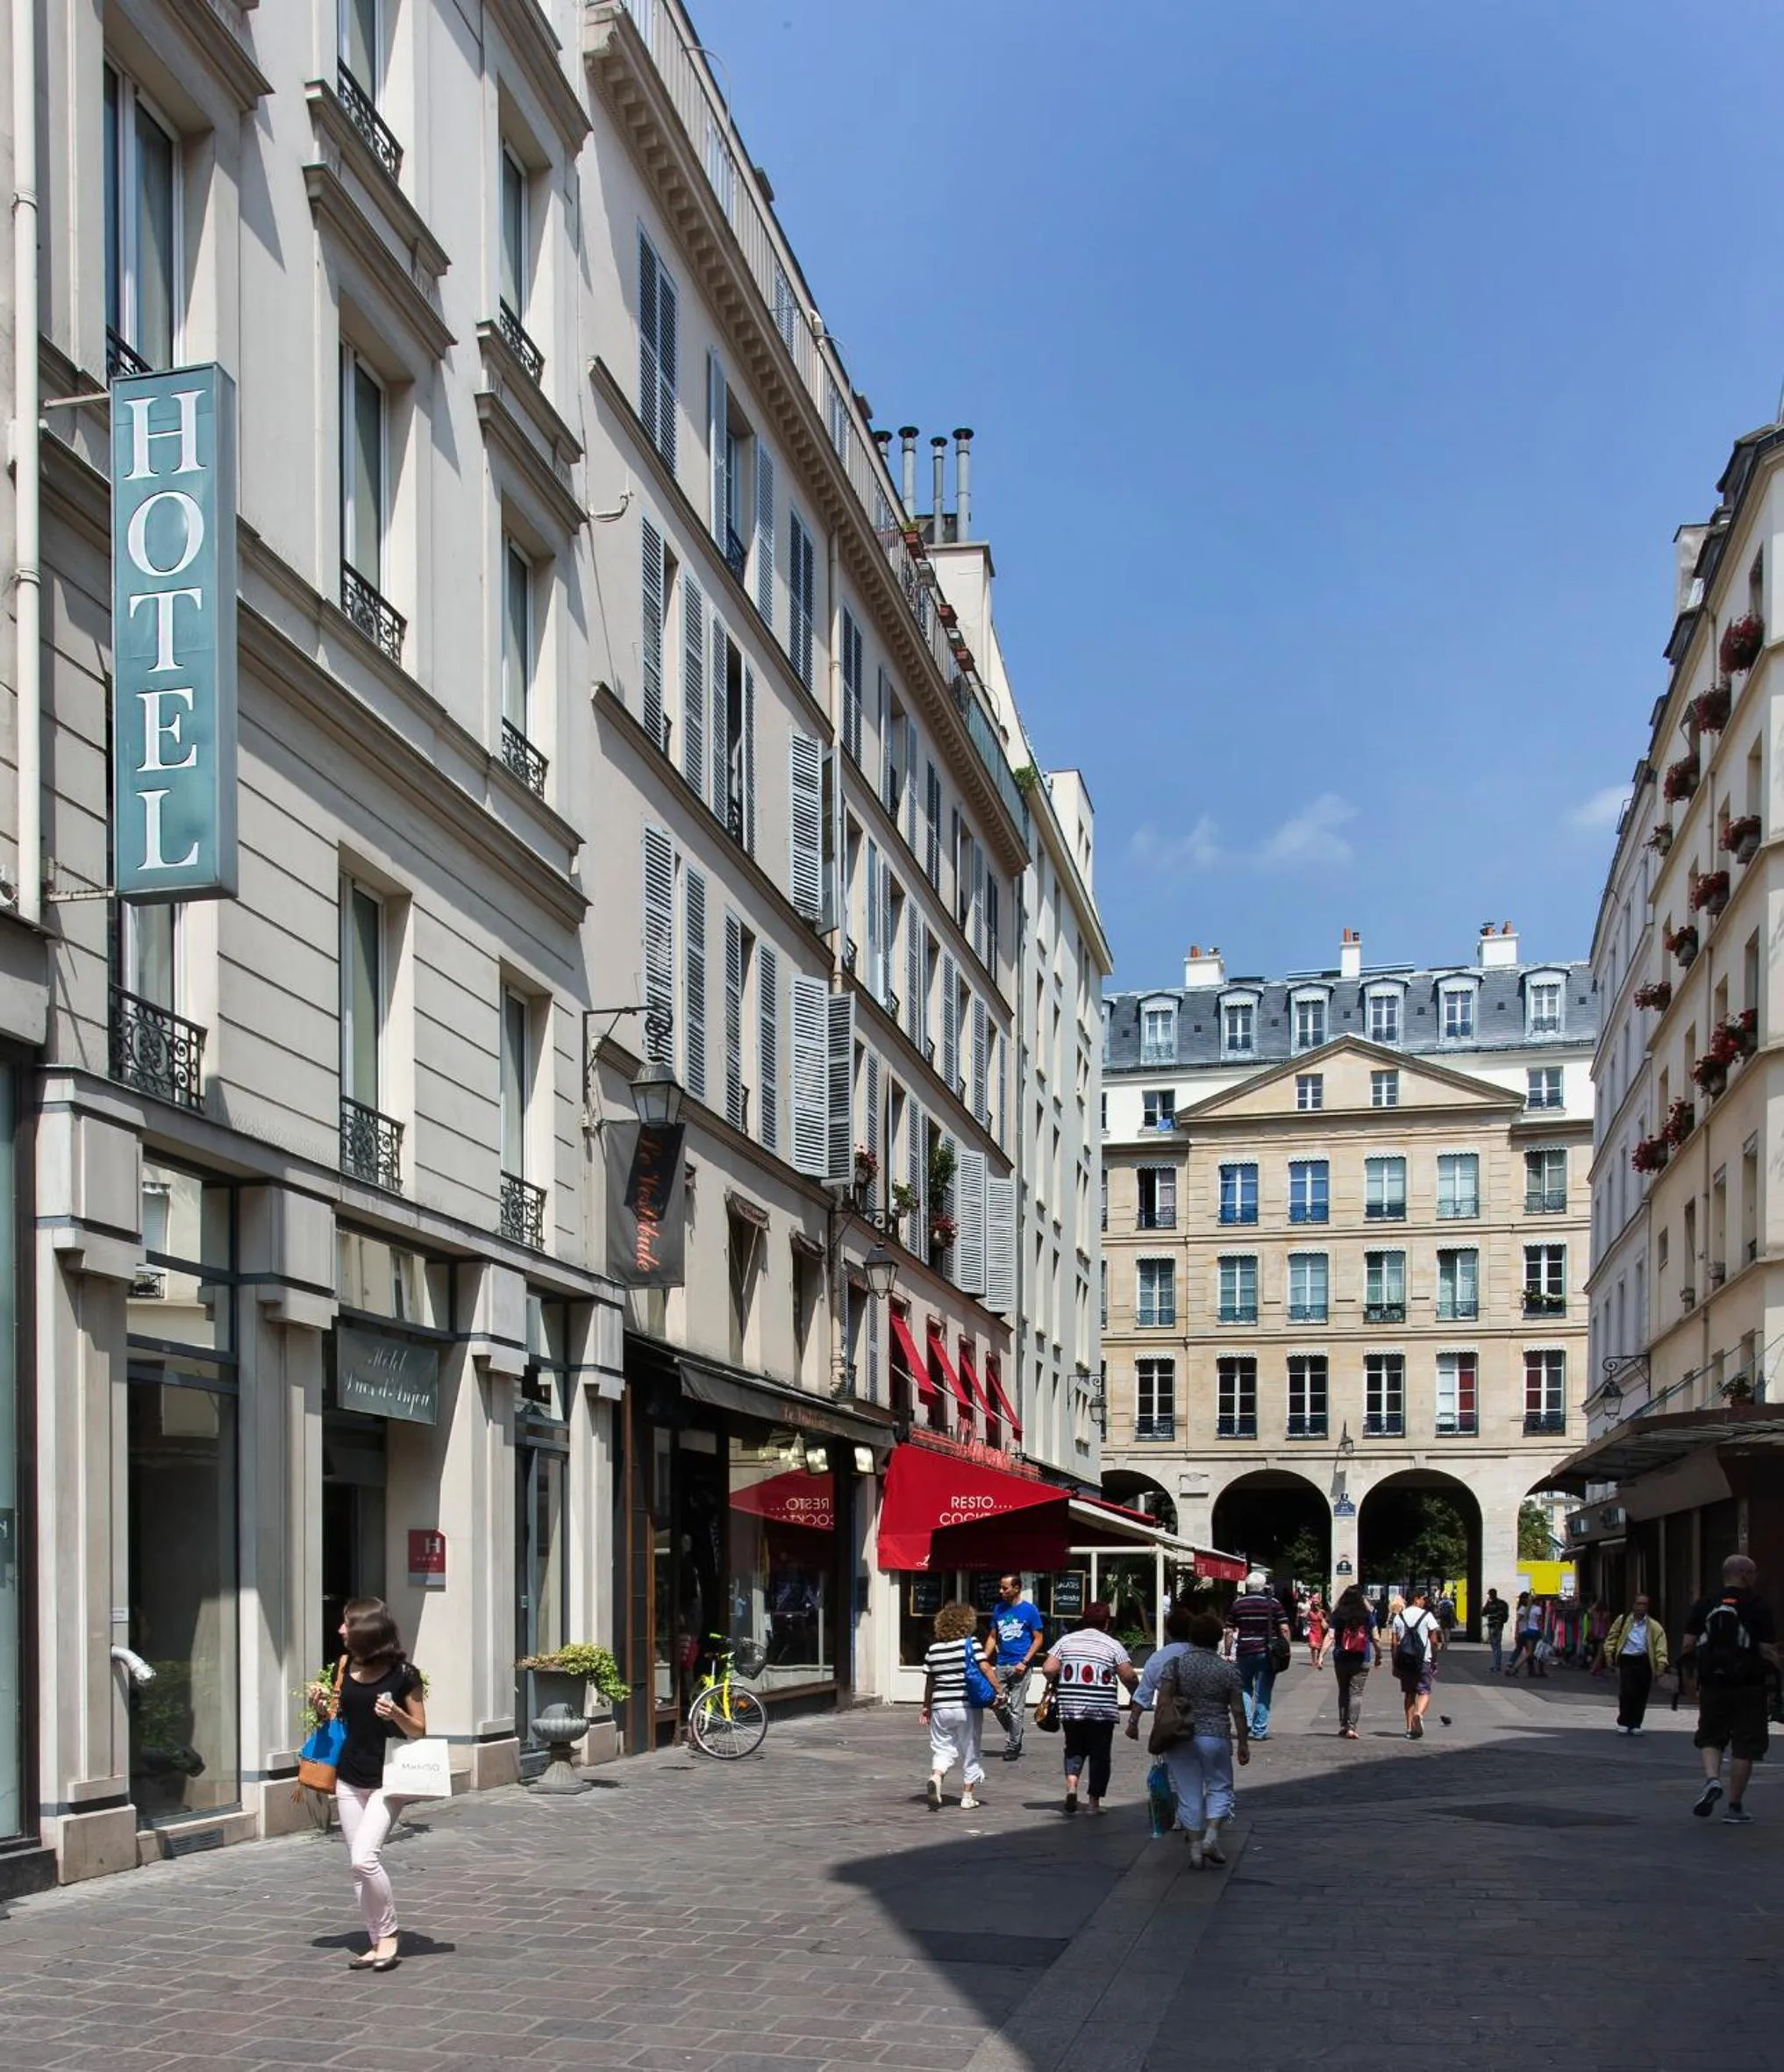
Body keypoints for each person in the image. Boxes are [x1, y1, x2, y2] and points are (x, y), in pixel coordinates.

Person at [306, 1597, 427, 1973]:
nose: (340, 1629)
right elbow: (338, 1717)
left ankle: (388, 1934)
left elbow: (420, 1730)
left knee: (365, 1859)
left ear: (366, 1630)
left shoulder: (405, 1674)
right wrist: (320, 1706)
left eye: (346, 1624)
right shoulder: (346, 1666)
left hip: (387, 1781)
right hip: (348, 1778)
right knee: (357, 1866)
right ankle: (376, 1940)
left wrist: (397, 1714)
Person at [1681, 1554, 1780, 1824]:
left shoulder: (1705, 1603)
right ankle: (1735, 1807)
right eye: (1754, 1572)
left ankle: (1712, 1779)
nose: (1756, 1577)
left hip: (1713, 1684)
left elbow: (1688, 1644)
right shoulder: (1757, 1605)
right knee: (1745, 1746)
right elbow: (1768, 1649)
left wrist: (1690, 1680)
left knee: (1710, 1736)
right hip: (1749, 1686)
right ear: (1743, 1574)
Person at [1153, 1611, 1249, 1868]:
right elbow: (1238, 1709)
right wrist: (1243, 1742)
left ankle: (1195, 1849)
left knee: (1187, 1792)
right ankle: (1211, 1836)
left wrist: (1159, 1734)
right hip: (1215, 1735)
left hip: (1180, 1735)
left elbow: (1163, 1702)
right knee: (1220, 1786)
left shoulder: (1174, 1665)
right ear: (1218, 1639)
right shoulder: (1227, 1670)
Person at [1041, 1600, 1140, 1814]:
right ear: (1106, 1623)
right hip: (1101, 1709)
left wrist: (1062, 1677)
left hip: (1071, 1705)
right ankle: (1093, 1803)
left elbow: (1048, 1669)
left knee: (1074, 1747)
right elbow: (1128, 1676)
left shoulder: (1066, 1640)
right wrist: (1136, 1694)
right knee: (1100, 1754)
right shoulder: (1113, 1645)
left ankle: (1072, 1785)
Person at [920, 1602, 998, 1811]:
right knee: (970, 1748)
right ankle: (967, 1796)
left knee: (942, 1748)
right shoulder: (971, 1643)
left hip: (940, 1707)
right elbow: (985, 1668)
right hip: (966, 1706)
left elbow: (930, 1682)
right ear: (968, 1623)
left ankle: (936, 1776)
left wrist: (926, 1706)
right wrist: (998, 1690)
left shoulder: (933, 1649)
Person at [1224, 1570, 1290, 1741]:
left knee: (1244, 1687)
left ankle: (1245, 1723)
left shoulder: (1238, 1604)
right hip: (1267, 1652)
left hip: (1244, 1651)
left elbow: (1229, 1631)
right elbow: (1284, 1628)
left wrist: (1227, 1651)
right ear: (1264, 1585)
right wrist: (1286, 1647)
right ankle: (1259, 1729)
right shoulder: (1273, 1604)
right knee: (1263, 1690)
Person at [988, 1574, 1045, 1761]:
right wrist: (983, 1658)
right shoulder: (999, 1609)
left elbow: (1038, 1639)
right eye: (1001, 1587)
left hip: (1021, 1664)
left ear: (1016, 1588)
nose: (1001, 1591)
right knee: (997, 1703)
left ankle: (1012, 1746)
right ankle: (1016, 1732)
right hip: (1002, 1663)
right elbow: (992, 1636)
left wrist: (1025, 1661)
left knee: (1017, 1708)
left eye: (1005, 1588)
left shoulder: (1029, 1610)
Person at [1601, 1592, 1668, 1734]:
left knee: (1641, 1693)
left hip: (1643, 1660)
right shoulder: (1624, 1620)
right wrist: (1609, 1654)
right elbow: (1612, 1637)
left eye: (1644, 1604)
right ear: (1634, 1605)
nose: (1641, 1607)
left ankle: (1636, 1723)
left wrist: (1661, 1664)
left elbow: (1660, 1646)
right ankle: (1624, 1721)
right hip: (1627, 1659)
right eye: (1639, 1604)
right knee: (1627, 1691)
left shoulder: (1654, 1627)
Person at [1390, 1587, 1440, 1740]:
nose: (1425, 1601)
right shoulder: (1427, 1616)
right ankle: (1419, 1714)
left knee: (1409, 1694)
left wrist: (1395, 1664)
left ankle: (1409, 1727)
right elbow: (1434, 1641)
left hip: (1405, 1661)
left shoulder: (1399, 1617)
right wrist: (1434, 1660)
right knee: (1424, 1691)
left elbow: (1394, 1643)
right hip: (1423, 1659)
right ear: (1416, 1599)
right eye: (1423, 1598)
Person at [1328, 1584, 1376, 1739]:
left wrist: (1321, 1655)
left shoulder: (1337, 1614)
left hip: (1341, 1657)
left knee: (1343, 1690)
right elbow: (1375, 1637)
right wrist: (1379, 1654)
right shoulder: (1367, 1615)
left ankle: (1343, 1725)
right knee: (1356, 1692)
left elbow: (1330, 1635)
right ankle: (1352, 1727)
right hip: (1362, 1657)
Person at [1482, 1588, 1510, 1674]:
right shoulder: (1491, 1604)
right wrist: (1487, 1603)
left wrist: (1497, 1628)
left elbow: (1501, 1618)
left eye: (1490, 1594)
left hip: (1496, 1627)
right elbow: (1483, 1613)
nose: (1489, 1596)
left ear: (1493, 1594)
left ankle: (1497, 1665)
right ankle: (1496, 1664)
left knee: (1497, 1647)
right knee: (1495, 1647)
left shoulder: (1500, 1604)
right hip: (1492, 1626)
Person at [1306, 1592, 1329, 1670]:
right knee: (1313, 1646)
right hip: (1312, 1631)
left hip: (1320, 1631)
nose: (1314, 1599)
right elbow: (1306, 1617)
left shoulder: (1322, 1611)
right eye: (1313, 1597)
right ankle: (1313, 1661)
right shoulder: (1310, 1610)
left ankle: (1319, 1660)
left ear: (1319, 1600)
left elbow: (1327, 1620)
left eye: (1316, 1598)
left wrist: (1323, 1619)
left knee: (1319, 1647)